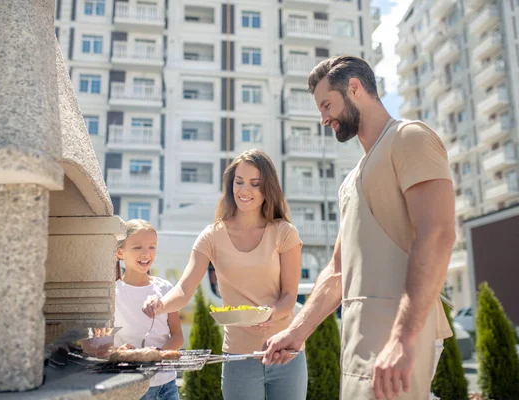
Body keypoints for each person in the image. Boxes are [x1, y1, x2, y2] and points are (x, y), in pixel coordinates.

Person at [262, 55, 455, 400]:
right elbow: (338, 270)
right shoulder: (352, 179)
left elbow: (438, 234)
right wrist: (297, 331)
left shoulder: (409, 137)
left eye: (327, 105)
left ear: (355, 88)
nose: (323, 119)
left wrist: (402, 338)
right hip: (357, 338)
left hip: (398, 335)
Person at [142, 149, 307, 400]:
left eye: (255, 184)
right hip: (238, 356)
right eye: (239, 182)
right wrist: (161, 304)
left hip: (286, 352)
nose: (244, 190)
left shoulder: (285, 233)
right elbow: (185, 288)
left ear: (267, 189)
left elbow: (289, 295)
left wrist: (272, 314)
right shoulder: (212, 236)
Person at [115, 219, 184, 400]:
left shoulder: (165, 289)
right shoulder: (112, 293)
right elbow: (103, 343)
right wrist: (118, 351)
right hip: (131, 386)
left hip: (167, 385)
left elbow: (177, 336)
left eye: (152, 247)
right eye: (137, 247)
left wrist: (156, 357)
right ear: (120, 252)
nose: (146, 253)